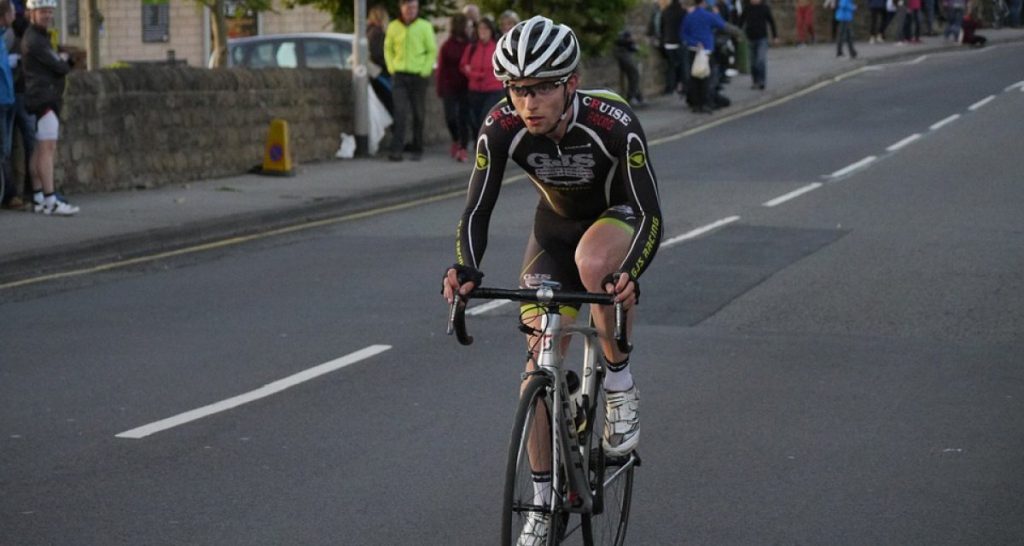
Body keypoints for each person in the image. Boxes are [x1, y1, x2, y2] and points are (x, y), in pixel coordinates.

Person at [441, 16, 662, 544]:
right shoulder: (500, 126)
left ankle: (618, 383)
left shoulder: (613, 122)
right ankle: (543, 501)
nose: (528, 103)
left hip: (617, 217)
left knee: (594, 264)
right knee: (538, 356)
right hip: (554, 230)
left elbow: (652, 215)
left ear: (571, 83)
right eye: (517, 89)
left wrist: (629, 273)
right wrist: (465, 268)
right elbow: (476, 210)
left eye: (541, 88)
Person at [21, 0, 76, 215]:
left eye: (50, 11)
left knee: (38, 149)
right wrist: (66, 60)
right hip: (44, 98)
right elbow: (60, 67)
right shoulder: (35, 40)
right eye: (43, 11)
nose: (48, 15)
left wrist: (62, 61)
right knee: (47, 149)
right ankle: (50, 200)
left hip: (42, 97)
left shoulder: (38, 37)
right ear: (32, 13)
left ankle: (38, 195)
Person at [384, 0, 436, 162]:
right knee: (400, 112)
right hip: (399, 74)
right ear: (401, 8)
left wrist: (425, 70)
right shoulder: (394, 26)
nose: (411, 11)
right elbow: (388, 48)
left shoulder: (424, 26)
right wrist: (392, 68)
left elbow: (431, 50)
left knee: (418, 113)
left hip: (418, 75)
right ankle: (396, 150)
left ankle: (417, 147)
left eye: (413, 7)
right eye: (408, 7)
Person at [682, 0, 742, 113]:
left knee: (695, 78)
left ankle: (696, 104)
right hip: (706, 51)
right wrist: (739, 32)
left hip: (693, 50)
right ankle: (706, 103)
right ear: (703, 3)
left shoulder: (688, 17)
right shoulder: (708, 16)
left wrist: (693, 42)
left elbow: (683, 34)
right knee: (706, 78)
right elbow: (723, 25)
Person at [437, 13, 471, 163]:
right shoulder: (447, 46)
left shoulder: (470, 45)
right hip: (449, 86)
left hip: (466, 86)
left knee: (463, 118)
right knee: (450, 117)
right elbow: (441, 68)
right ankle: (456, 139)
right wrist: (440, 87)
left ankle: (463, 147)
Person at [460, 16, 503, 134]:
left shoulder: (497, 48)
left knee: (486, 117)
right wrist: (474, 74)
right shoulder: (472, 48)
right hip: (475, 90)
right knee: (474, 120)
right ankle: (478, 141)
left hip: (493, 90)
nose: (483, 31)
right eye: (480, 29)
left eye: (486, 29)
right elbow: (463, 66)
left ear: (491, 31)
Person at [738, 0, 778, 91]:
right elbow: (741, 21)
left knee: (760, 60)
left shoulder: (764, 8)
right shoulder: (747, 8)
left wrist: (775, 36)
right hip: (750, 38)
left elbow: (771, 22)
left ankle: (762, 81)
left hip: (762, 38)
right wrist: (739, 35)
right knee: (752, 63)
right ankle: (755, 81)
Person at [0, 0, 16, 209]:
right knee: (3, 150)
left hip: (6, 99)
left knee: (5, 150)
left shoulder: (4, 35)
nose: (15, 14)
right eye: (12, 12)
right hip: (2, 100)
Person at [366, 4, 393, 115]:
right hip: (380, 75)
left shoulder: (368, 32)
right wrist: (389, 67)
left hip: (374, 74)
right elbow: (378, 55)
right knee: (391, 106)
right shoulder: (378, 33)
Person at [660, 0, 687, 95]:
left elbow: (661, 27)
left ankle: (670, 88)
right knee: (683, 66)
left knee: (670, 67)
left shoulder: (665, 12)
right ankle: (683, 87)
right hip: (679, 42)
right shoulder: (683, 12)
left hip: (668, 42)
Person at [613, 29, 645, 106]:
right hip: (624, 56)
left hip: (625, 56)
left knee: (634, 76)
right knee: (634, 75)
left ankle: (637, 96)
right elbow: (628, 44)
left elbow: (633, 47)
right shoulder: (623, 42)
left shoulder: (626, 43)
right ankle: (632, 97)